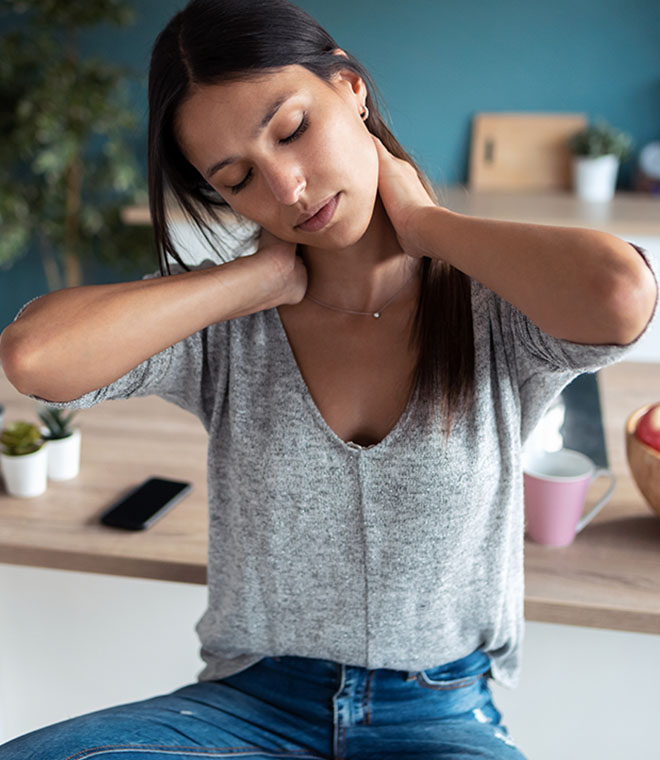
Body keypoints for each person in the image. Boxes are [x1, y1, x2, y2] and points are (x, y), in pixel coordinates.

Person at [0, 0, 658, 757]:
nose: (286, 189)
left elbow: (622, 296)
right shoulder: (227, 331)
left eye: (292, 130)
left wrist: (426, 226)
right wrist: (253, 282)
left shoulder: (493, 304)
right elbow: (34, 358)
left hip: (438, 714)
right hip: (248, 709)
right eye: (238, 178)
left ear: (351, 88)